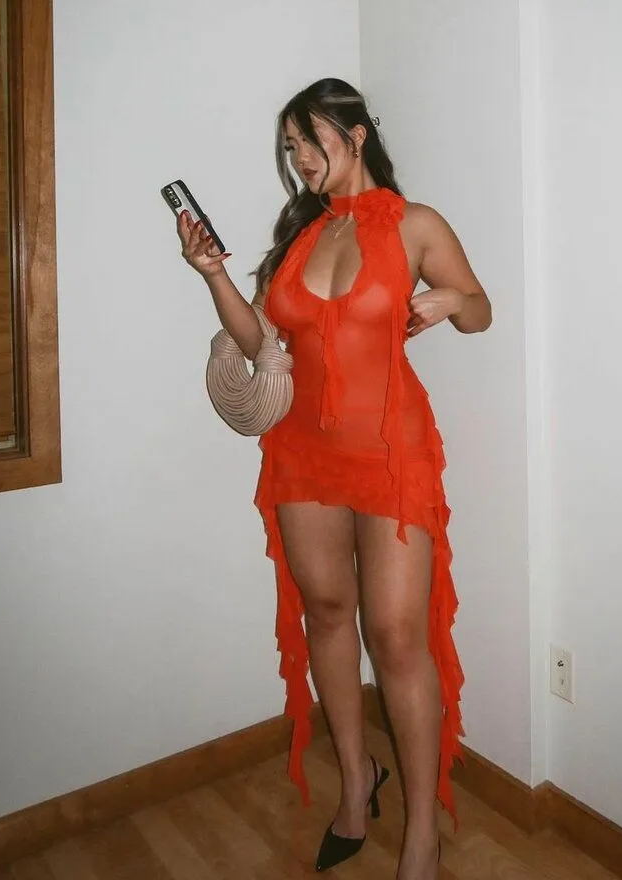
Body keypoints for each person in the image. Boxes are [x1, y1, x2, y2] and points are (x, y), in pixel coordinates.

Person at [176, 78, 491, 880]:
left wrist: (450, 297)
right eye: (289, 147)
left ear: (355, 134)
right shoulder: (302, 234)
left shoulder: (416, 224)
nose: (300, 159)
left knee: (396, 636)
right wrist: (211, 274)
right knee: (324, 612)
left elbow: (480, 311)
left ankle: (420, 833)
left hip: (390, 450)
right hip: (301, 451)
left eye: (309, 140)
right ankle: (357, 780)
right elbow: (260, 339)